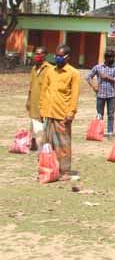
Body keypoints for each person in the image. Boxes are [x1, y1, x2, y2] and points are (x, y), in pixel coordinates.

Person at [39, 44, 80, 180]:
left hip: (62, 114)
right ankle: (49, 168)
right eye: (56, 55)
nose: (57, 58)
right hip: (48, 113)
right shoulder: (50, 71)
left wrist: (71, 113)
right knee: (47, 143)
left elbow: (74, 95)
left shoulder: (73, 73)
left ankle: (64, 171)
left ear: (67, 57)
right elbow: (44, 91)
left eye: (60, 56)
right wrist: (42, 109)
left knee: (63, 145)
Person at [85, 49, 115, 137]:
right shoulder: (98, 67)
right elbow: (88, 77)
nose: (112, 59)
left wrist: (107, 77)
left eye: (113, 57)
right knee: (99, 114)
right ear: (106, 58)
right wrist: (93, 86)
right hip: (100, 95)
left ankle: (110, 132)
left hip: (111, 95)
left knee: (111, 114)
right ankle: (98, 132)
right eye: (111, 57)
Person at [25, 46, 52, 151]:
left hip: (43, 101)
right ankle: (33, 143)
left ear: (45, 55)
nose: (37, 56)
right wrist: (28, 100)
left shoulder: (49, 69)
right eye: (36, 53)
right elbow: (31, 86)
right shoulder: (34, 68)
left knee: (40, 124)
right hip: (33, 100)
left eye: (39, 54)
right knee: (33, 121)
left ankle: (41, 145)